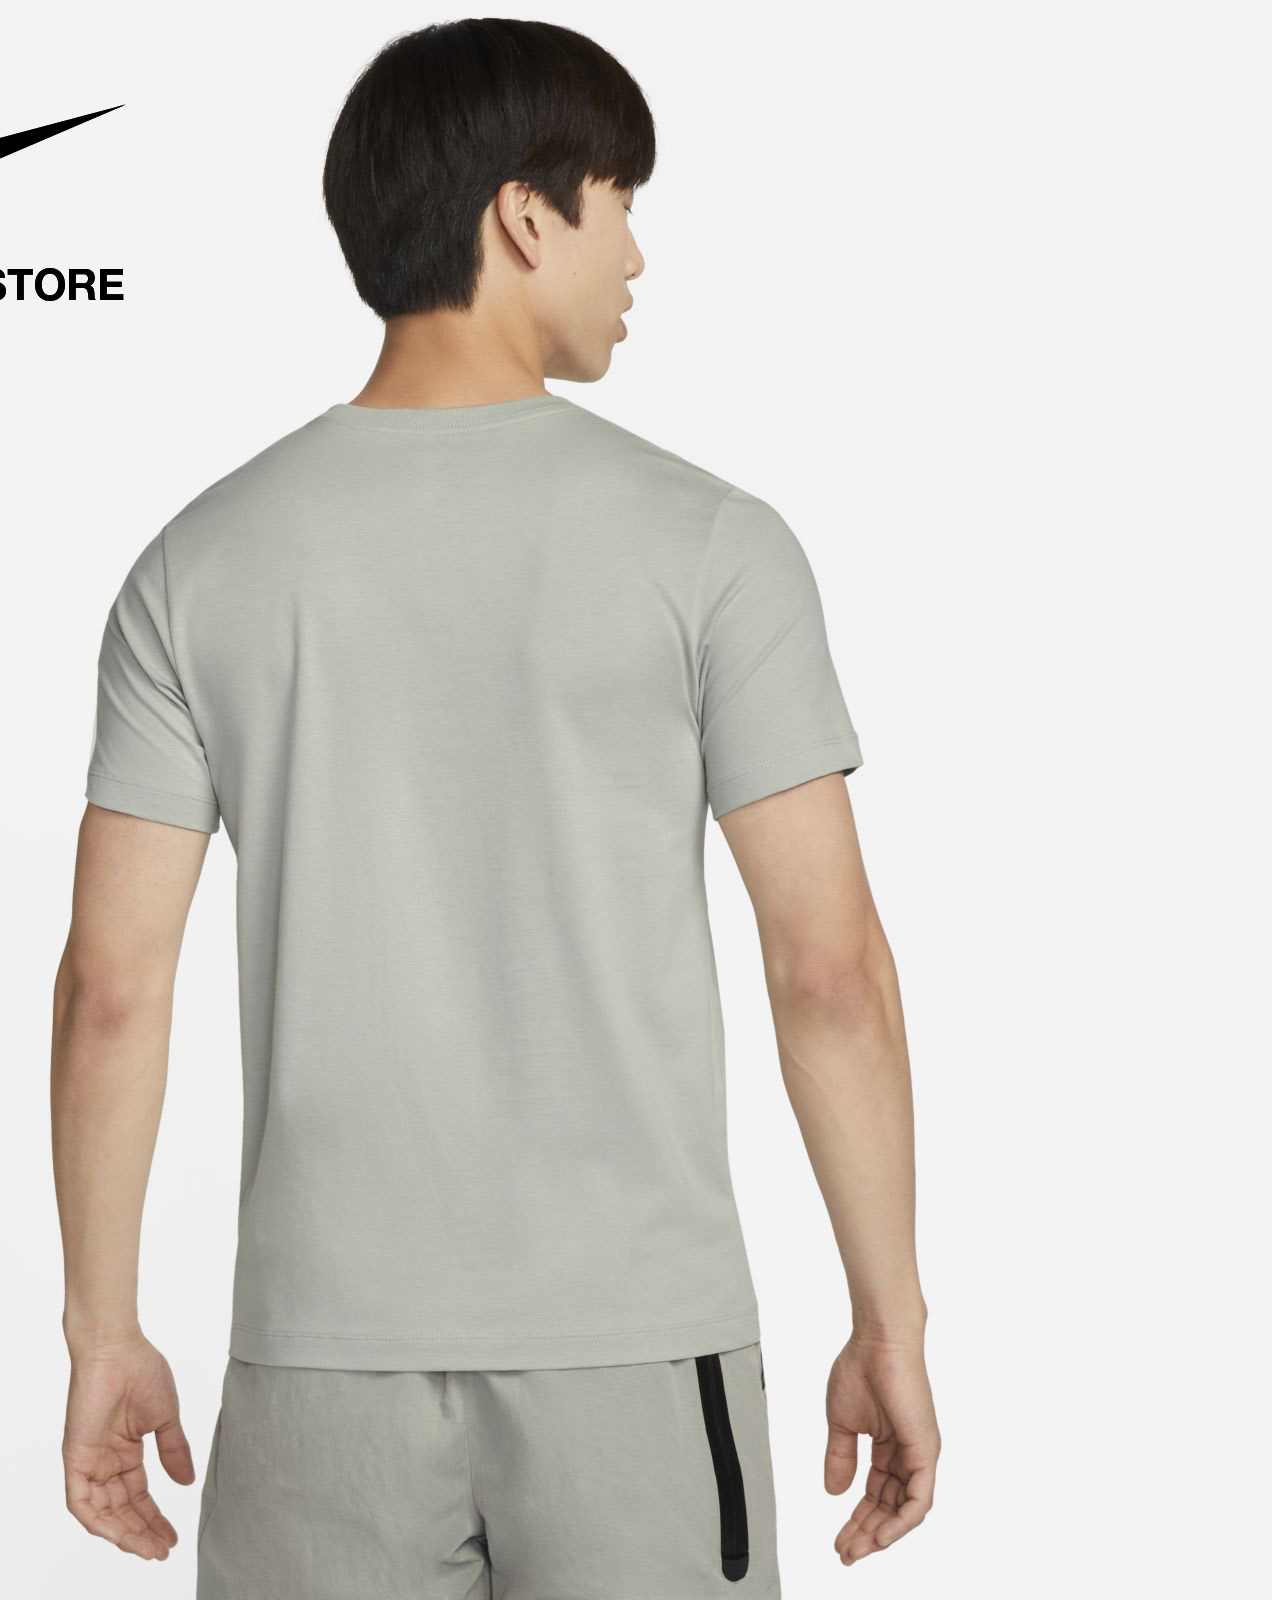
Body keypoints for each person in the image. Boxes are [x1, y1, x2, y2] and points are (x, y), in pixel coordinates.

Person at [51, 18, 938, 1597]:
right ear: (526, 216)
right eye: (620, 202)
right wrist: (891, 1319)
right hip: (638, 1355)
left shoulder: (199, 565)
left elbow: (110, 992)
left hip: (316, 1370)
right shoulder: (712, 547)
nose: (636, 254)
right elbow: (830, 976)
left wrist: (101, 1329)